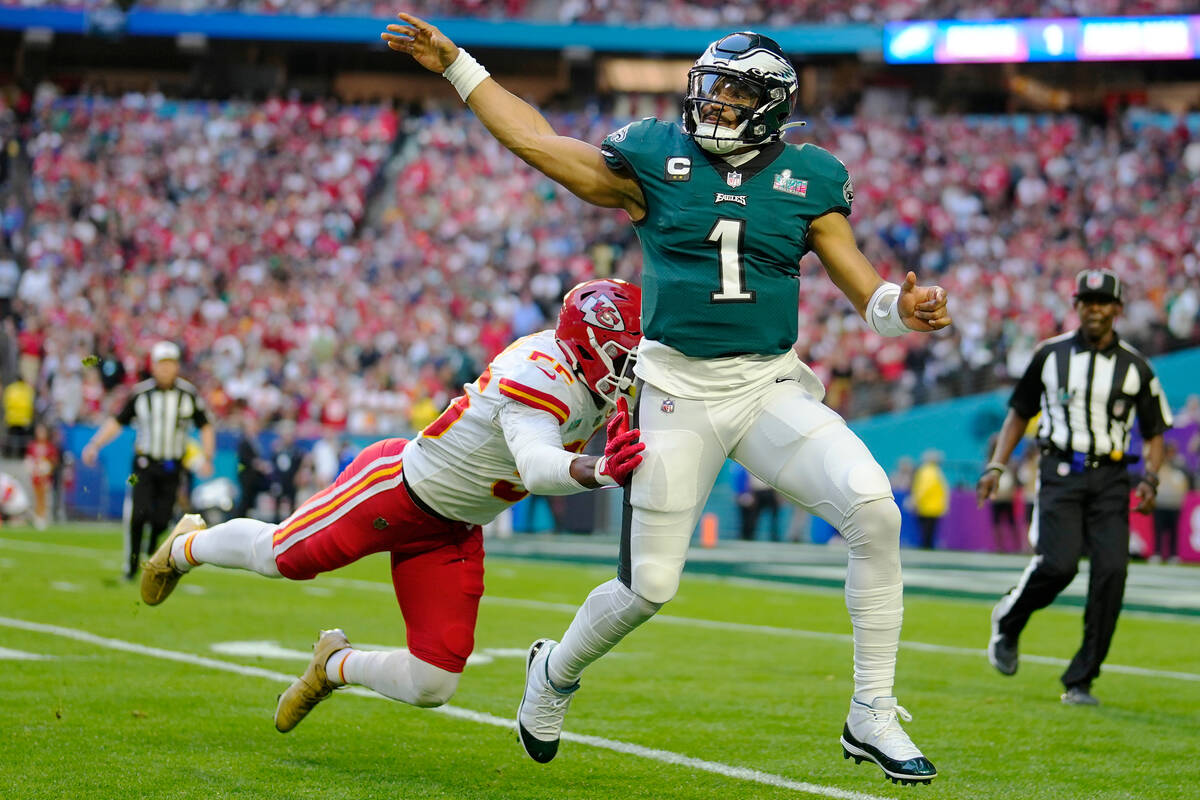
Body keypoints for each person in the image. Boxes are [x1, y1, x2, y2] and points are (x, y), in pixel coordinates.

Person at [384, 16, 950, 784]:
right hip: (677, 388)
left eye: (734, 92)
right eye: (712, 87)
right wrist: (458, 66)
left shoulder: (811, 178)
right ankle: (553, 672)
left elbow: (865, 288)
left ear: (771, 103)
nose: (714, 103)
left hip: (766, 385)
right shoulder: (656, 156)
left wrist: (900, 310)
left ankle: (870, 711)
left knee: (875, 510)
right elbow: (540, 144)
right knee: (649, 587)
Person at [139, 280, 646, 733]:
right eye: (623, 353)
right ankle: (186, 546)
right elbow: (537, 467)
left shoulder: (590, 373)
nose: (631, 365)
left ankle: (333, 665)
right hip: (394, 491)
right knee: (278, 558)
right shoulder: (539, 374)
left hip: (454, 529)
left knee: (434, 683)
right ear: (587, 344)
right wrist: (602, 470)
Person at [977, 269, 1172, 706]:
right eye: (1087, 301)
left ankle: (1081, 679)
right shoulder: (1050, 355)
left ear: (1118, 309)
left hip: (1111, 477)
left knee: (1112, 573)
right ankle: (1009, 621)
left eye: (1104, 302)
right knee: (1059, 565)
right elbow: (1019, 413)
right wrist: (996, 466)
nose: (1095, 309)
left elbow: (1156, 429)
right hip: (1060, 470)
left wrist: (1151, 476)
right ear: (1077, 306)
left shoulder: (1136, 366)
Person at [82, 341, 215, 580]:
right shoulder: (141, 394)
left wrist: (207, 456)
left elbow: (205, 425)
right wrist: (95, 444)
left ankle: (152, 549)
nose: (165, 369)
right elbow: (117, 422)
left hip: (173, 465)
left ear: (176, 366)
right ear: (153, 366)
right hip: (145, 464)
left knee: (162, 519)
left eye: (170, 364)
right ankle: (131, 568)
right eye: (161, 364)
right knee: (138, 515)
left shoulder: (188, 394)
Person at [1151, 442, 1189, 563]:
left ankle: (1173, 554)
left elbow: (1185, 483)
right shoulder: (1159, 466)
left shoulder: (1180, 466)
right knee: (1158, 530)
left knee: (1174, 531)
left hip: (1174, 503)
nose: (1169, 455)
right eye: (1167, 452)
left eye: (1171, 452)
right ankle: (1157, 552)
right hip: (1160, 503)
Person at [910, 450, 949, 550]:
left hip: (926, 506)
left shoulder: (925, 470)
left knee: (926, 530)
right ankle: (927, 547)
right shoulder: (936, 471)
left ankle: (926, 548)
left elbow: (922, 488)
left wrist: (915, 499)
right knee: (929, 530)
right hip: (933, 506)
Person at [24, 420, 58, 530]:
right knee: (35, 497)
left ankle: (43, 518)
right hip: (35, 476)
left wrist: (47, 467)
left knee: (44, 498)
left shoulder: (50, 446)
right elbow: (28, 459)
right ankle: (36, 517)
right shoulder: (32, 446)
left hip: (45, 477)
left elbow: (53, 461)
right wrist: (32, 467)